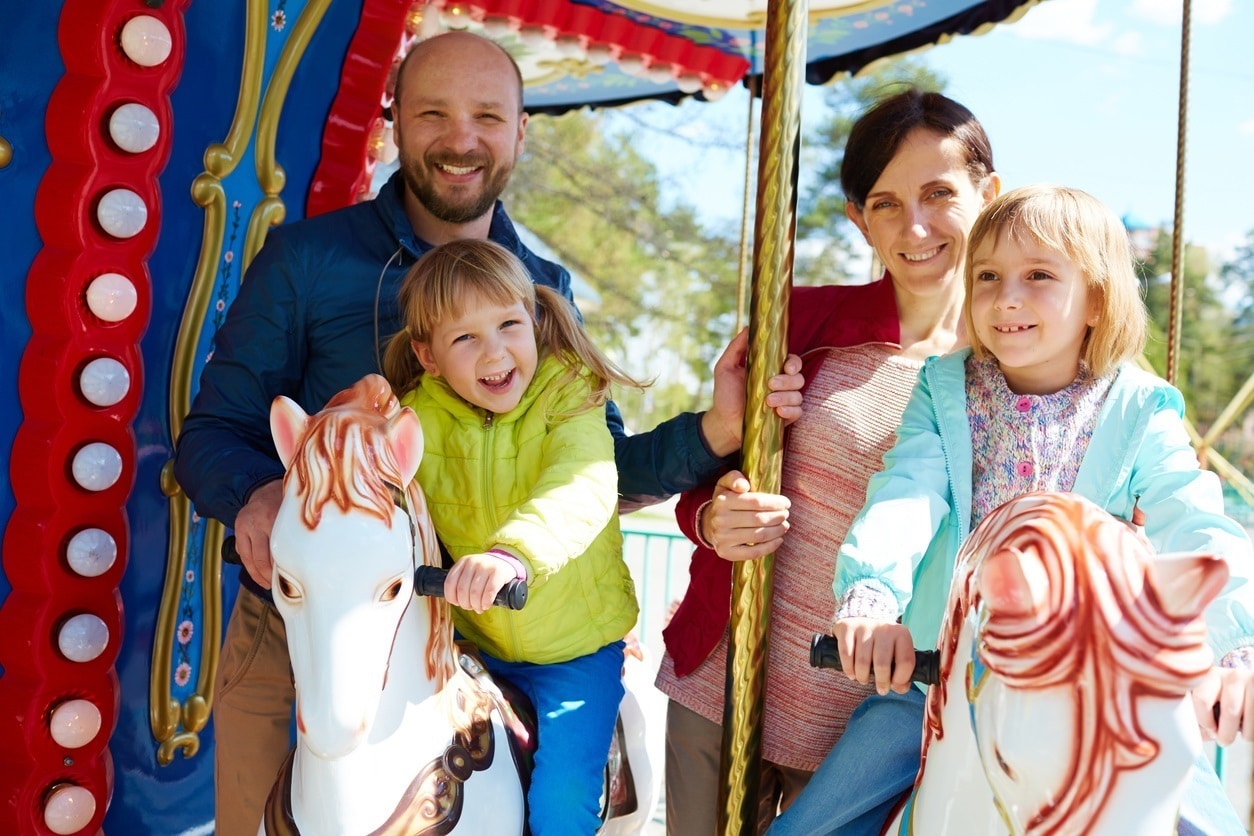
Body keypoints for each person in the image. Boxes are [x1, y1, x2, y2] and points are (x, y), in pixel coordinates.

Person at [173, 31, 803, 836]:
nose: (461, 139)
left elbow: (592, 468)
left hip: (473, 624)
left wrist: (714, 429)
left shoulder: (543, 288)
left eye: (488, 116)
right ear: (394, 121)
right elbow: (213, 430)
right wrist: (259, 495)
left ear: (519, 133)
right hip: (308, 620)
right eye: (433, 112)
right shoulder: (305, 260)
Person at [769, 184, 1254, 836]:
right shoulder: (946, 389)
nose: (1007, 297)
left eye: (1039, 276)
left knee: (1198, 820)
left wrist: (1233, 646)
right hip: (941, 680)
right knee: (811, 828)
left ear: (1097, 299)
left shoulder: (1141, 407)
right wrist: (871, 598)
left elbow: (1193, 523)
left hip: (1097, 690)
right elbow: (907, 493)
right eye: (989, 275)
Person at [655, 88, 1002, 833]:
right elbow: (706, 485)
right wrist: (719, 516)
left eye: (939, 193)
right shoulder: (803, 320)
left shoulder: (1008, 362)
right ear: (858, 218)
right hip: (729, 681)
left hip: (877, 714)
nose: (914, 226)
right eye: (884, 203)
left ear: (988, 193)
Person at [380, 238, 645, 834]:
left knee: (559, 805)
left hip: (574, 652)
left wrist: (511, 555)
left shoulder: (569, 396)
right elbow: (380, 501)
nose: (494, 351)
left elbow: (582, 486)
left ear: (533, 321)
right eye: (465, 338)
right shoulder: (415, 421)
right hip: (474, 647)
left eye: (507, 324)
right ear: (427, 355)